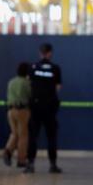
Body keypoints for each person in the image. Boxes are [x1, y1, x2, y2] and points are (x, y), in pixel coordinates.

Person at [27, 42, 63, 173]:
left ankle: (30, 164)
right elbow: (58, 87)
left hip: (35, 106)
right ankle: (53, 165)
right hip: (49, 106)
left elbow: (29, 83)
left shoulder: (33, 67)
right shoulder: (55, 68)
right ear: (50, 53)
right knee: (51, 137)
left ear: (40, 52)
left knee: (33, 136)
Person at [4, 62, 31, 170]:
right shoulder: (26, 83)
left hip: (10, 110)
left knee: (14, 133)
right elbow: (30, 95)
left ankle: (7, 151)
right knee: (23, 136)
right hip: (22, 110)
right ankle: (21, 160)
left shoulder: (11, 82)